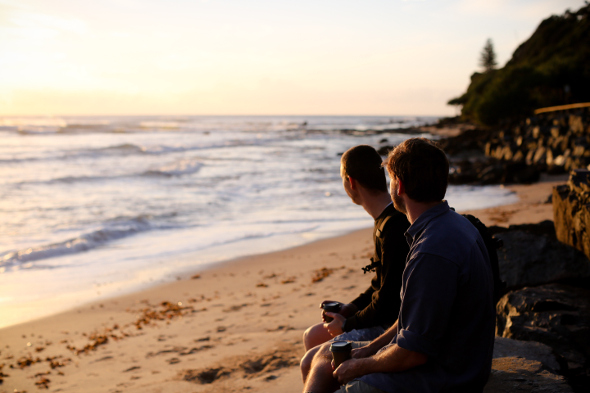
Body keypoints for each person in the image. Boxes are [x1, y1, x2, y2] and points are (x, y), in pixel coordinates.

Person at [302, 138, 495, 393]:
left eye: (391, 178)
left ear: (399, 185)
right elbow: (409, 321)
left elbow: (412, 355)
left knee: (331, 369)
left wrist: (360, 366)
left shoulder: (431, 251)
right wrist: (368, 351)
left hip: (444, 378)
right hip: (459, 363)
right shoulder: (452, 226)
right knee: (325, 356)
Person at [300, 145, 410, 380]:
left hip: (393, 327)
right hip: (387, 316)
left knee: (309, 360)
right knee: (312, 335)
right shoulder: (386, 219)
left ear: (351, 182)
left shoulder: (393, 227)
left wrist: (348, 324)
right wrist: (350, 307)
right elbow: (380, 284)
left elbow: (388, 302)